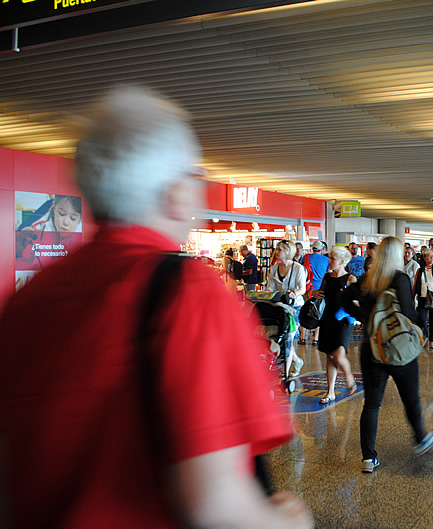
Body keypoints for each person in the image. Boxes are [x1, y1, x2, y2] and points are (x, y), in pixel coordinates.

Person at [0, 86, 313, 529]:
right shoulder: (189, 292)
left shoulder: (27, 300)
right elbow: (216, 505)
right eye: (196, 175)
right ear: (175, 193)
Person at [340, 236, 433, 473]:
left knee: (372, 404)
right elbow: (408, 312)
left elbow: (341, 297)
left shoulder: (368, 278)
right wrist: (422, 329)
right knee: (411, 398)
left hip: (371, 347)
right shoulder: (399, 278)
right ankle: (420, 439)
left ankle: (369, 458)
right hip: (397, 346)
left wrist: (365, 316)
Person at [311, 246, 358, 404]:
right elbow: (320, 295)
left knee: (338, 354)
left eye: (332, 258)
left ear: (342, 261)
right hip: (327, 319)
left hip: (344, 320)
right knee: (330, 356)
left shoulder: (350, 279)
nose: (329, 261)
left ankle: (349, 377)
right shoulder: (327, 277)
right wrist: (313, 293)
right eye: (329, 257)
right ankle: (330, 392)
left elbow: (357, 301)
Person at [266, 240, 307, 377]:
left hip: (294, 307)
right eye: (277, 249)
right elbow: (270, 287)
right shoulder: (274, 269)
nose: (277, 252)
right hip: (280, 306)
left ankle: (286, 373)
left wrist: (294, 294)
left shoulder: (298, 268)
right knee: (280, 337)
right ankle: (296, 360)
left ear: (288, 251)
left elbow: (303, 288)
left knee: (289, 338)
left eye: (280, 249)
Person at [300, 240, 329, 345]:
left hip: (307, 289)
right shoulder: (326, 260)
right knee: (318, 312)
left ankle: (302, 338)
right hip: (320, 289)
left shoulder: (306, 257)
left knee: (304, 311)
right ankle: (315, 339)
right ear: (322, 249)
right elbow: (328, 275)